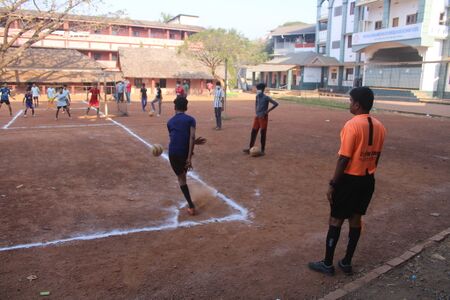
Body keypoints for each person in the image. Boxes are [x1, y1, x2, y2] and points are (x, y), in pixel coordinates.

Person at [308, 87, 386, 276]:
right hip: (368, 180)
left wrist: (333, 184)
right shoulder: (380, 126)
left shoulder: (352, 125)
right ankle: (346, 262)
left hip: (350, 179)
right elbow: (377, 156)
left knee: (336, 219)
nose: (349, 104)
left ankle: (327, 264)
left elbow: (344, 158)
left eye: (350, 101)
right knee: (356, 219)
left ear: (357, 105)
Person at [167, 97, 206, 216]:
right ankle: (191, 205)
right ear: (186, 108)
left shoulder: (169, 122)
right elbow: (191, 137)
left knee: (181, 178)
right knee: (183, 176)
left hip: (173, 152)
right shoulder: (191, 120)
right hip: (184, 153)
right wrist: (189, 158)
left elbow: (175, 138)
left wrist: (192, 146)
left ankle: (191, 205)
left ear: (175, 107)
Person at [243, 83, 278, 156]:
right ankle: (250, 148)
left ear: (262, 90)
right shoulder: (257, 96)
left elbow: (276, 104)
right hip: (257, 117)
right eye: (257, 89)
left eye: (258, 89)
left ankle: (262, 150)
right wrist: (256, 111)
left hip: (263, 118)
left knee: (263, 134)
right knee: (253, 132)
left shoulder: (266, 98)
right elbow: (256, 103)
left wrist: (267, 111)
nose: (257, 90)